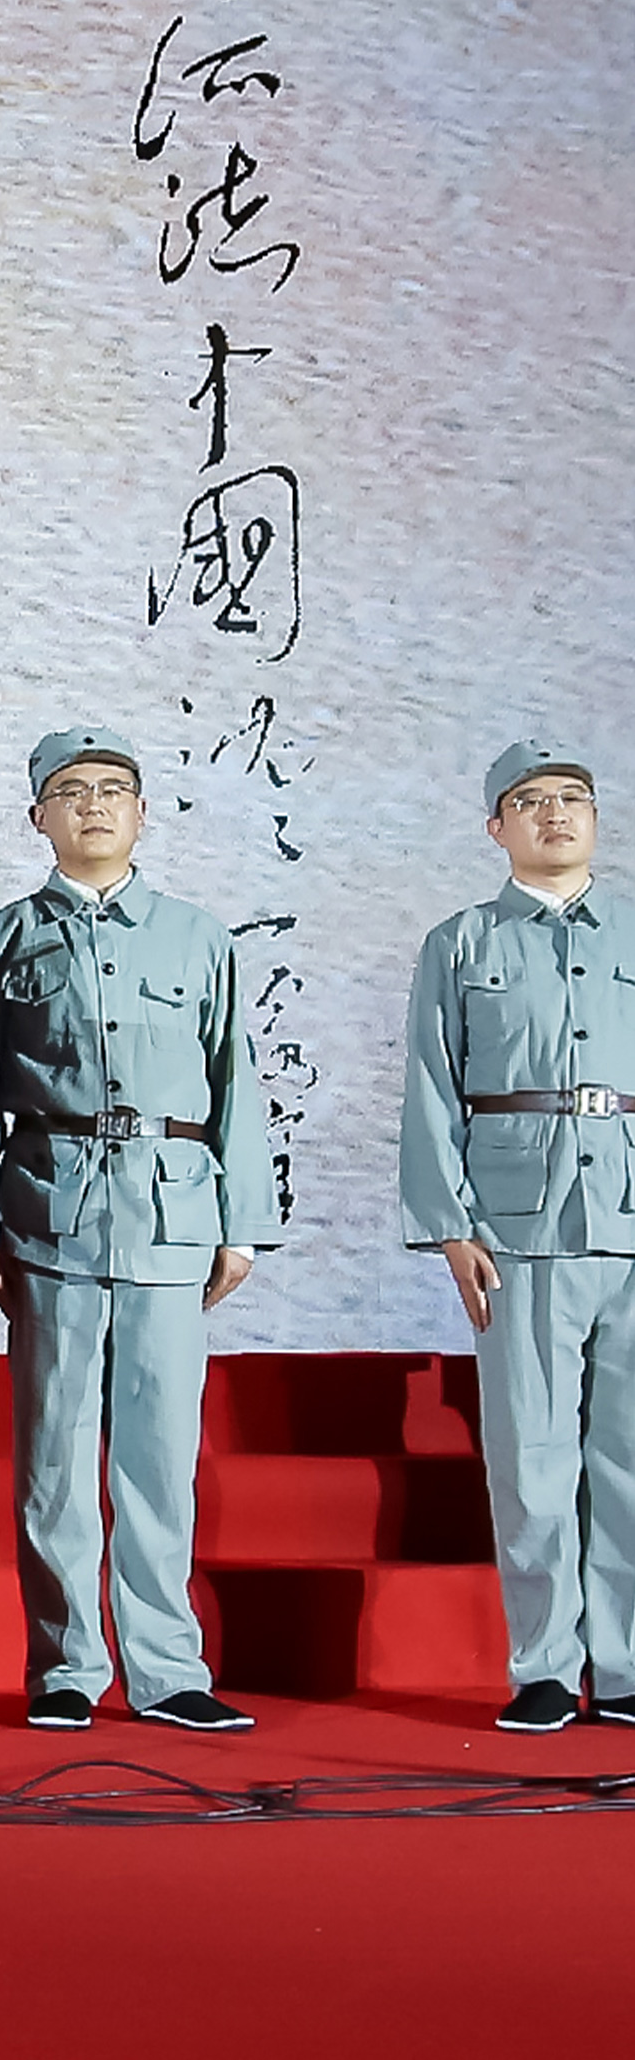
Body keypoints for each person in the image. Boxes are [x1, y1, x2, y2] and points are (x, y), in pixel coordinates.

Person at [0, 727, 280, 1732]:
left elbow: (235, 1082)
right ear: (37, 814)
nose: (95, 804)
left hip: (173, 1211)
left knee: (160, 1453)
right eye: (73, 789)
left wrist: (242, 1223)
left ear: (142, 812)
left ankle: (168, 1669)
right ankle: (66, 1667)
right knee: (54, 1454)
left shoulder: (198, 937)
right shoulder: (4, 937)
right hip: (52, 1209)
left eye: (115, 788)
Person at [401, 741, 635, 1734]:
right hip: (519, 1222)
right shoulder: (460, 943)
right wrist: (450, 1225)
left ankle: (624, 1668)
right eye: (531, 801)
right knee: (533, 1456)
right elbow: (429, 1086)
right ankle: (544, 1665)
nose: (556, 813)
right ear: (496, 826)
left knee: (629, 1458)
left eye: (572, 798)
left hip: (629, 1212)